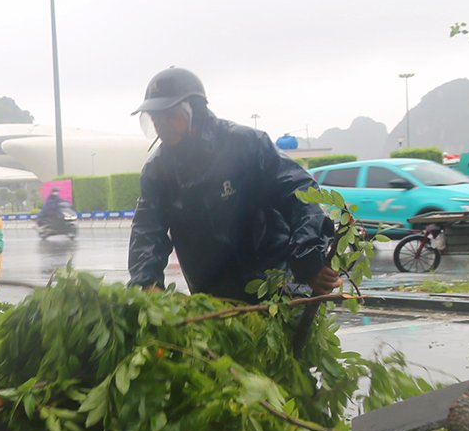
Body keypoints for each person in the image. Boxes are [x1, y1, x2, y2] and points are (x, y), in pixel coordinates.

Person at [128, 68, 341, 303]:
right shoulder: (157, 171)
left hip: (275, 288)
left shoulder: (246, 145)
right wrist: (147, 281)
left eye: (169, 116)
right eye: (155, 118)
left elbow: (300, 194)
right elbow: (147, 230)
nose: (161, 125)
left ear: (195, 111)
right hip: (212, 298)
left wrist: (309, 262)